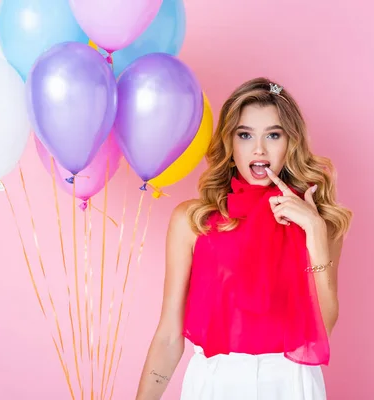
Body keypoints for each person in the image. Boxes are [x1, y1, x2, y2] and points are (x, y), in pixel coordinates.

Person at [135, 77, 353, 400]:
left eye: (273, 135)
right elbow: (169, 335)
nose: (259, 149)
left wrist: (315, 233)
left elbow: (324, 326)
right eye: (245, 135)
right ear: (230, 142)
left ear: (290, 142)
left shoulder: (319, 222)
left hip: (291, 384)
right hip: (215, 385)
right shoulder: (192, 221)